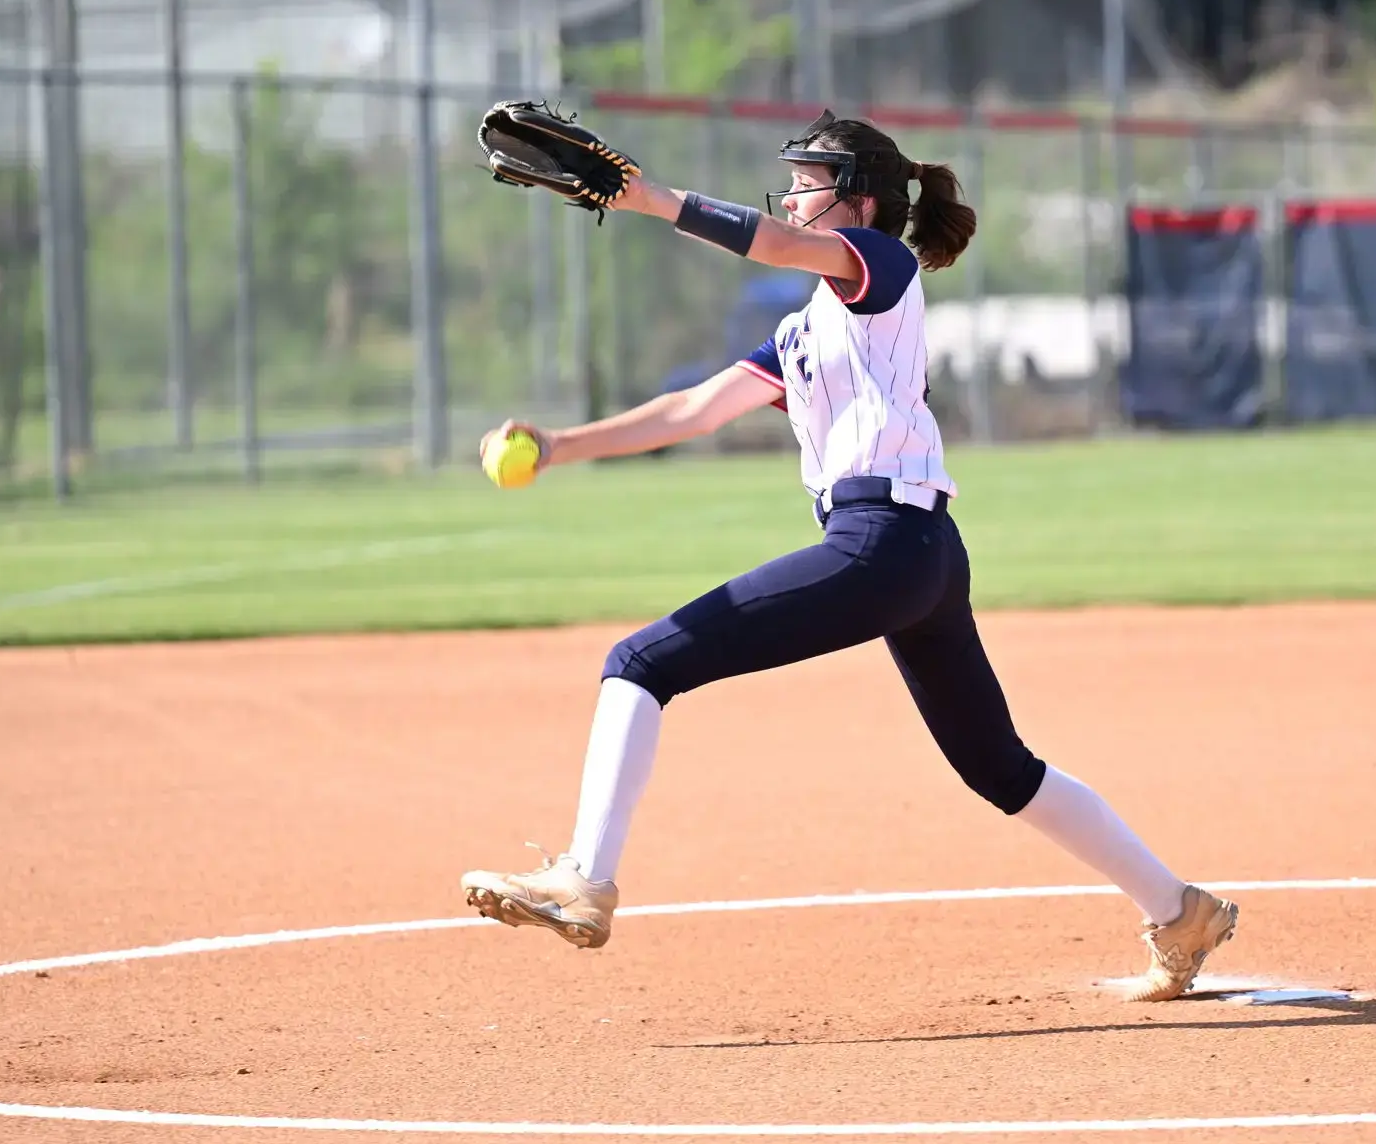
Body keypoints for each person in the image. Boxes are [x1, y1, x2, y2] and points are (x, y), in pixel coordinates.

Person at [460, 113, 1237, 1001]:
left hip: (886, 545)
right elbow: (689, 412)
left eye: (811, 176)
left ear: (860, 198)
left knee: (638, 663)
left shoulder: (882, 268)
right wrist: (560, 444)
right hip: (919, 554)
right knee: (1000, 768)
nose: (793, 190)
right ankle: (1180, 911)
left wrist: (648, 198)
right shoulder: (803, 334)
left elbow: (777, 244)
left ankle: (585, 880)